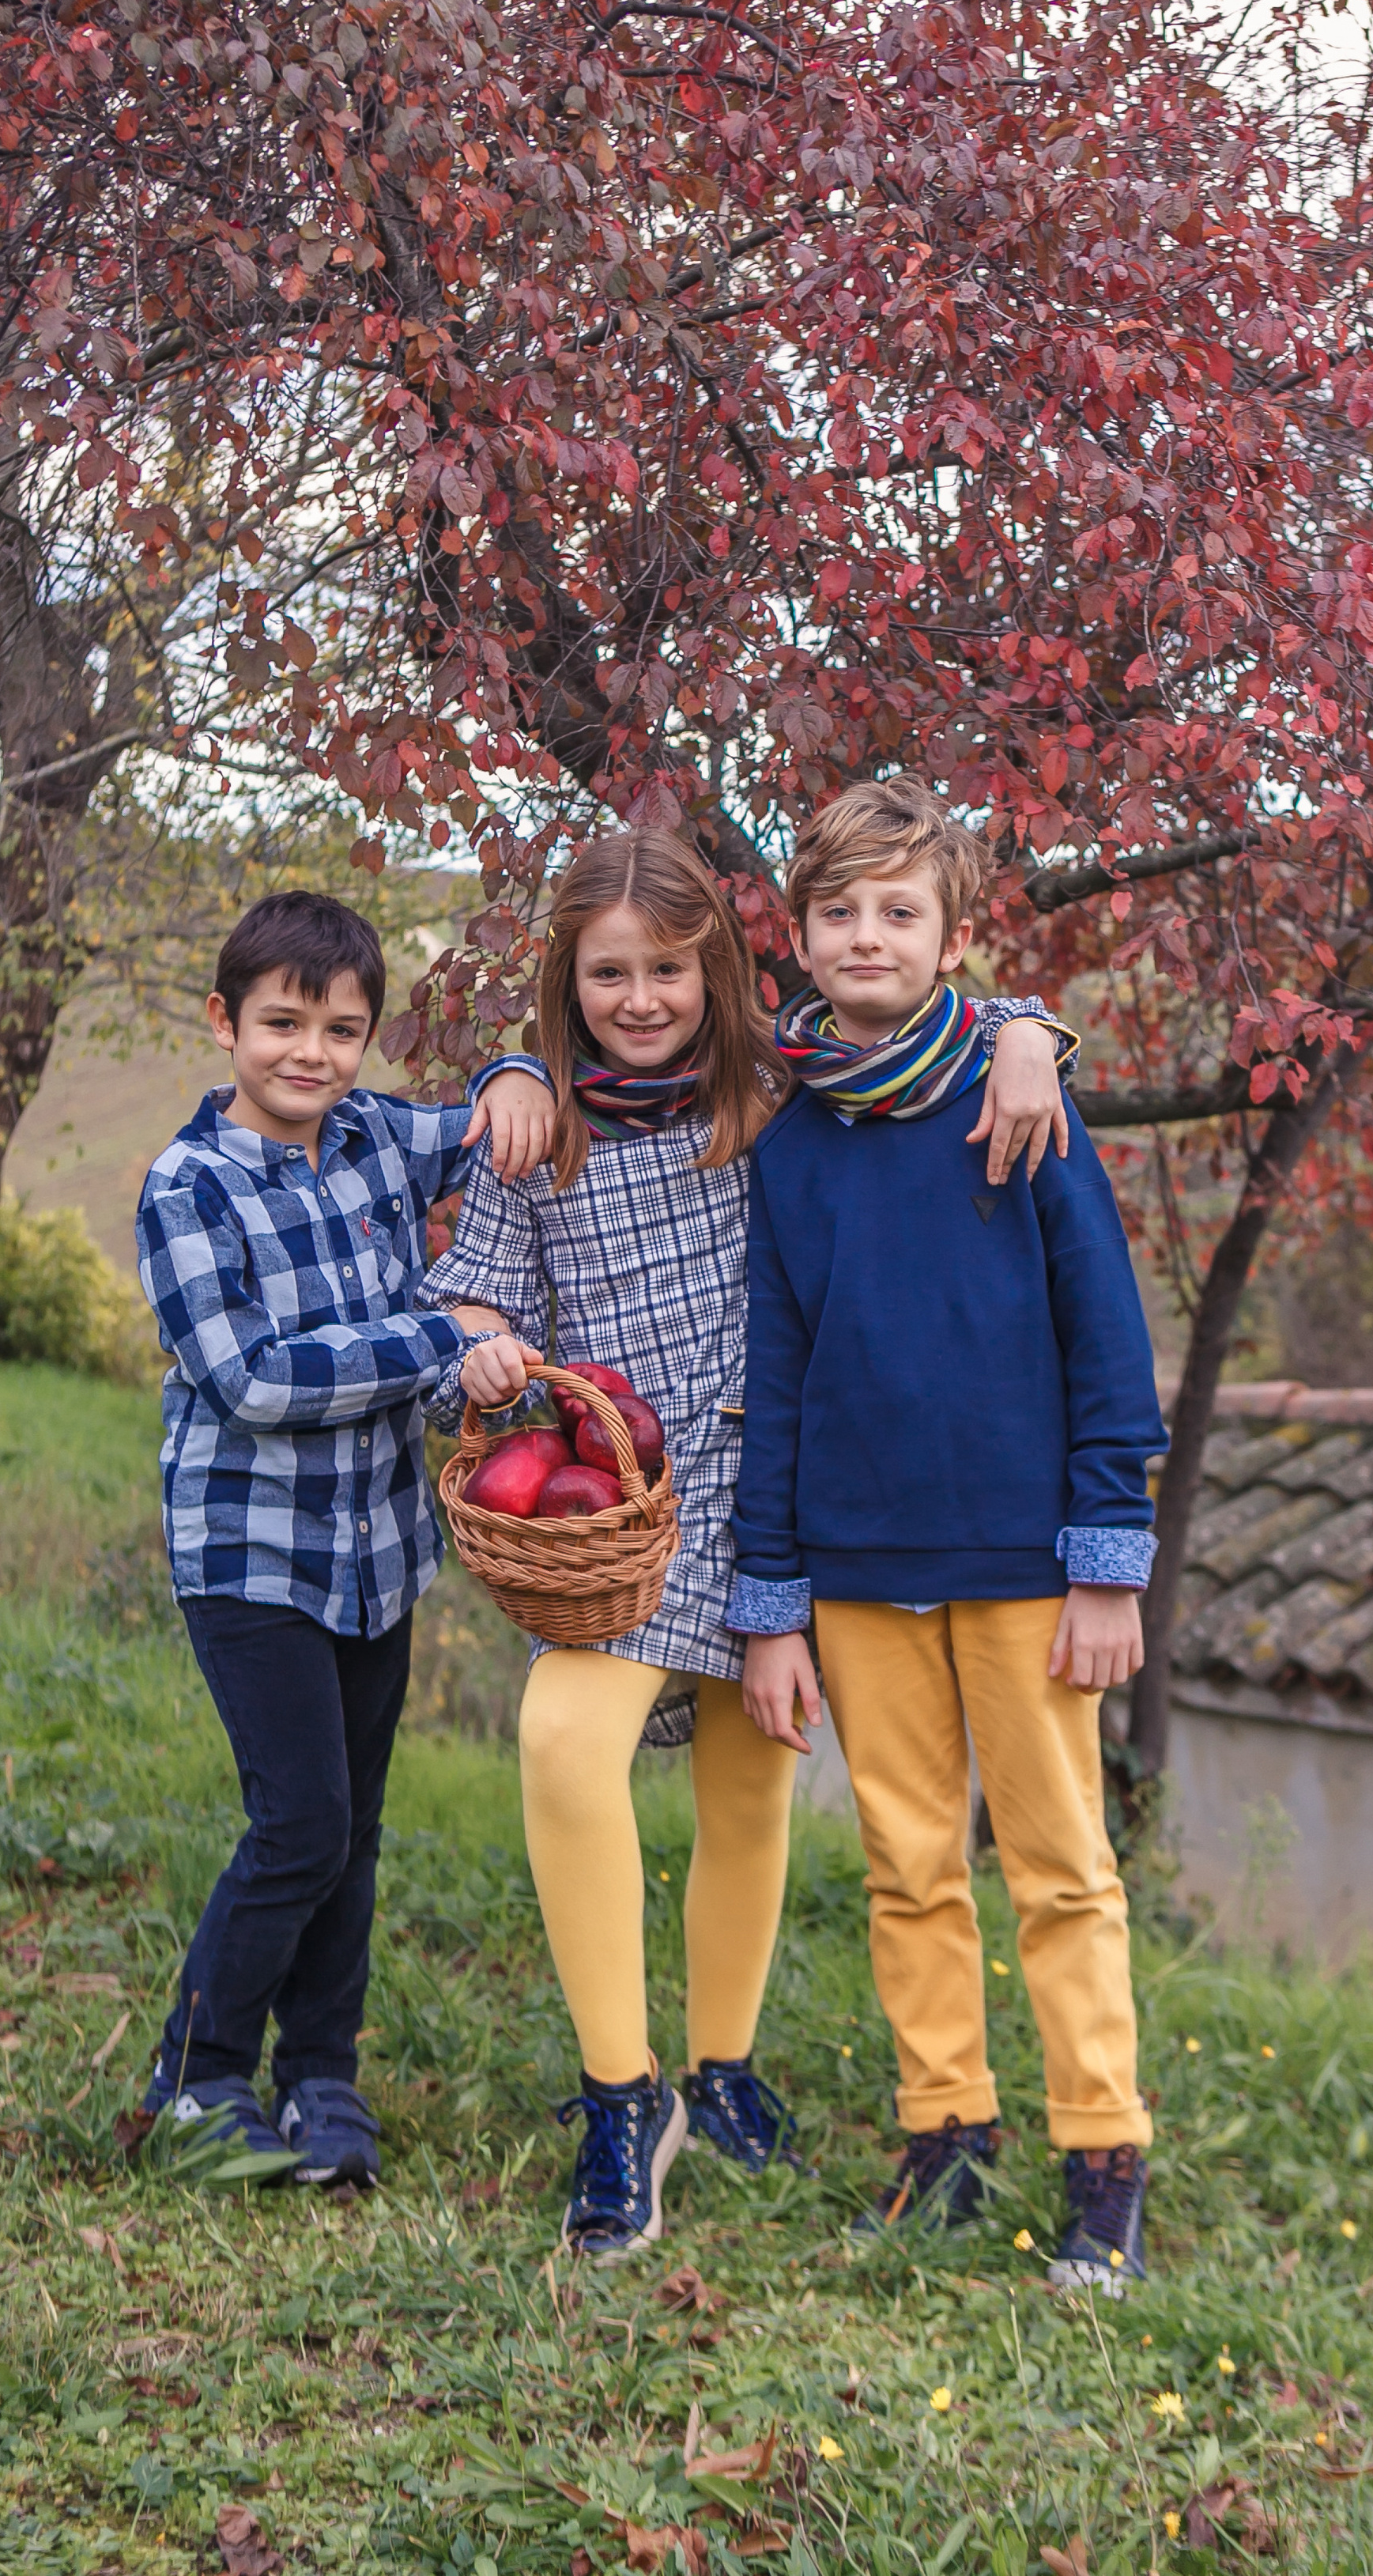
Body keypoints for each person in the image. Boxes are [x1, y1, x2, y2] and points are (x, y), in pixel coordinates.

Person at [423, 825, 1073, 2259]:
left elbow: (912, 1036)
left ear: (717, 971)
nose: (641, 998)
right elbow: (471, 1296)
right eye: (608, 974)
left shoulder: (786, 1100)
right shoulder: (540, 1134)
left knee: (751, 1787)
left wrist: (1028, 1029)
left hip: (777, 1505)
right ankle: (622, 2093)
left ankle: (723, 2066)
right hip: (624, 1509)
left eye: (669, 968)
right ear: (567, 978)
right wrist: (479, 1344)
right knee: (559, 1740)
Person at [730, 778, 1166, 2292]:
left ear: (953, 935)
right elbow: (772, 1378)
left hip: (1025, 1562)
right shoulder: (789, 1146)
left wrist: (1110, 1553)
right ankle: (946, 2140)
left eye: (898, 913)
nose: (867, 937)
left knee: (1060, 1864)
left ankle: (1102, 2159)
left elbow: (1108, 1337)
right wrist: (769, 1603)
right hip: (856, 1570)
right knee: (910, 1866)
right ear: (799, 933)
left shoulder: (1019, 1096)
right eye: (839, 912)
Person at [130, 890, 539, 2189]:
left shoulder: (373, 1137)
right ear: (225, 1023)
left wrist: (522, 1071)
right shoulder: (187, 1185)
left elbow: (489, 1128)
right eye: (282, 1023)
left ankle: (320, 2079)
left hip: (377, 1553)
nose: (311, 1053)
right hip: (248, 1554)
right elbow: (249, 1378)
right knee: (300, 1823)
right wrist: (443, 1339)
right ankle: (196, 2079)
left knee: (355, 1828)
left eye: (343, 1029)